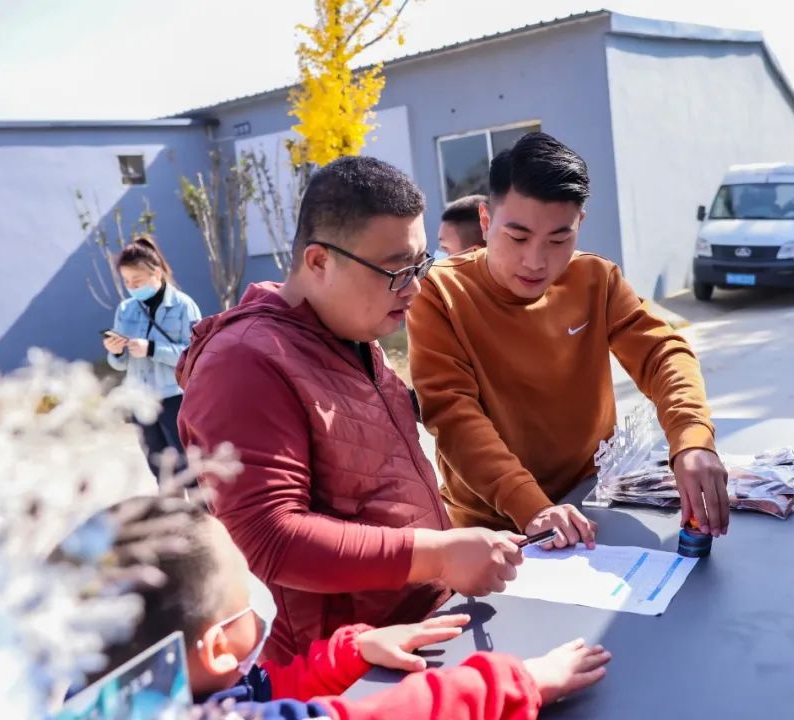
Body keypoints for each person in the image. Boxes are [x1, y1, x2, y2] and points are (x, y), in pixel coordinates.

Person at [176, 156, 525, 665]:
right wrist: (439, 555)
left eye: (420, 265)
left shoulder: (351, 331)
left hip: (421, 628)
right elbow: (269, 538)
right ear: (318, 261)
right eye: (396, 270)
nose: (415, 287)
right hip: (347, 668)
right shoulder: (244, 363)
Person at [407, 132, 730, 547]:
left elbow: (662, 352)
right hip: (495, 526)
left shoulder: (595, 279)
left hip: (593, 501)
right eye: (518, 237)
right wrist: (532, 507)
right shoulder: (441, 294)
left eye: (559, 240)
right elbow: (453, 416)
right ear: (486, 222)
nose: (536, 261)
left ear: (579, 224)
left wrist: (692, 440)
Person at [71, 497, 611, 720]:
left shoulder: (137, 696)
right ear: (214, 647)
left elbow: (264, 690)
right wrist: (520, 681)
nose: (260, 622)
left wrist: (350, 652)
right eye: (245, 611)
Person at [103, 235, 202, 479]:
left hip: (175, 399)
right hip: (140, 399)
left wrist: (152, 349)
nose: (132, 287)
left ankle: (199, 517)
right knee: (161, 472)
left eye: (137, 280)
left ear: (156, 273)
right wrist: (115, 350)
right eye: (127, 282)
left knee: (188, 471)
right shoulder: (125, 309)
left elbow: (195, 355)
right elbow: (119, 363)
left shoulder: (183, 305)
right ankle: (170, 516)